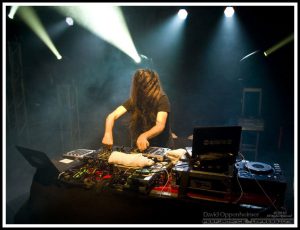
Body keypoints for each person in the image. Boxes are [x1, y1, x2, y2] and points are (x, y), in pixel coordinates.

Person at [102, 69, 174, 151]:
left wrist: (144, 136)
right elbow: (112, 116)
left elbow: (160, 125)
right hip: (139, 146)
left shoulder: (162, 98)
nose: (144, 90)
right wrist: (107, 133)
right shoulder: (135, 100)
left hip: (161, 147)